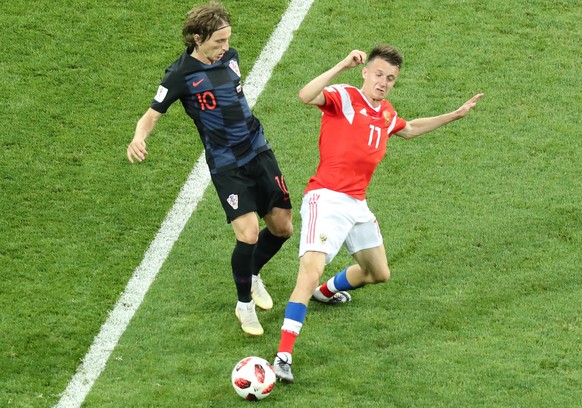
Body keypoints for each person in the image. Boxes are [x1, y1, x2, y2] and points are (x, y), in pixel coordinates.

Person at [273, 44, 483, 382]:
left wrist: (454, 115)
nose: (384, 82)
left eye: (391, 78)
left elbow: (410, 128)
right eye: (379, 75)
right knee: (309, 272)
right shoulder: (344, 97)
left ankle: (324, 293)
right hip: (326, 199)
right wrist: (341, 64)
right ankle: (283, 355)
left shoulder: (385, 113)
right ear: (365, 72)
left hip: (357, 204)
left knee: (378, 272)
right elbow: (305, 95)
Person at [127, 2, 293, 336]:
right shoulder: (180, 75)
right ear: (197, 38)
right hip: (227, 165)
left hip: (259, 152)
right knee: (247, 234)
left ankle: (253, 272)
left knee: (283, 228)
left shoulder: (231, 59)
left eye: (228, 39)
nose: (226, 47)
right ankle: (244, 304)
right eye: (218, 41)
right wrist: (138, 138)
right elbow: (151, 115)